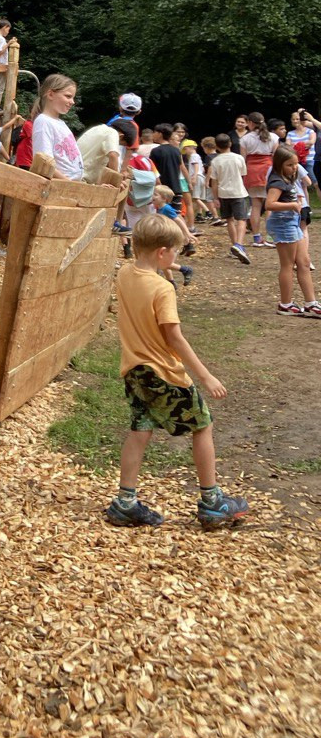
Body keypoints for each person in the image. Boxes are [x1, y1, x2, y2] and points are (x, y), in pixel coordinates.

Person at [104, 213, 248, 530]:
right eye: (175, 252)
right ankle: (212, 502)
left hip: (135, 370)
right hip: (163, 373)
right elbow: (174, 338)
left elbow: (145, 274)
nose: (176, 258)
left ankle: (125, 502)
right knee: (203, 425)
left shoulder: (126, 274)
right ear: (162, 253)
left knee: (140, 430)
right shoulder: (161, 289)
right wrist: (205, 376)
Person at [264, 146, 321, 317]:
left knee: (304, 263)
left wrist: (298, 199)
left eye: (296, 164)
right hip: (283, 224)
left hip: (293, 222)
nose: (294, 167)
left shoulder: (287, 177)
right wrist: (293, 205)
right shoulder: (277, 181)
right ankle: (285, 304)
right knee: (288, 265)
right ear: (280, 164)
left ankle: (311, 303)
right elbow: (269, 204)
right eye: (290, 164)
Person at [31, 74, 83, 181]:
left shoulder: (60, 123)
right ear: (50, 94)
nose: (72, 102)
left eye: (73, 97)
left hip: (72, 186)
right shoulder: (43, 122)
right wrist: (71, 185)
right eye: (68, 96)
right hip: (60, 187)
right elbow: (44, 162)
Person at [207, 134, 250, 264]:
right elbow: (243, 175)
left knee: (229, 220)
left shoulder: (215, 161)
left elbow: (214, 182)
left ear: (217, 147)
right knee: (241, 220)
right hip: (238, 192)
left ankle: (235, 246)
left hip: (223, 193)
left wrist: (215, 198)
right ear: (230, 144)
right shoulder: (239, 158)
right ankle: (239, 244)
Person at [240, 112, 279, 247]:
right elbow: (276, 156)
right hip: (268, 169)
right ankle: (270, 236)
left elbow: (243, 159)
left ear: (250, 123)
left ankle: (257, 237)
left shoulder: (245, 139)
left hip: (252, 170)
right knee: (270, 205)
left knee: (255, 205)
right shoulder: (273, 137)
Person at [77, 119, 137, 184]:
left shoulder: (97, 128)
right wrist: (116, 180)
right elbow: (113, 155)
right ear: (121, 136)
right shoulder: (113, 133)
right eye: (120, 143)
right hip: (82, 180)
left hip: (77, 174)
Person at [149, 124, 187, 214]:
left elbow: (153, 171)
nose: (153, 134)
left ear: (160, 134)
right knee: (176, 215)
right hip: (177, 189)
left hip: (162, 191)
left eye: (154, 132)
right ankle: (183, 228)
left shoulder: (156, 151)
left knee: (163, 218)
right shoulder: (176, 151)